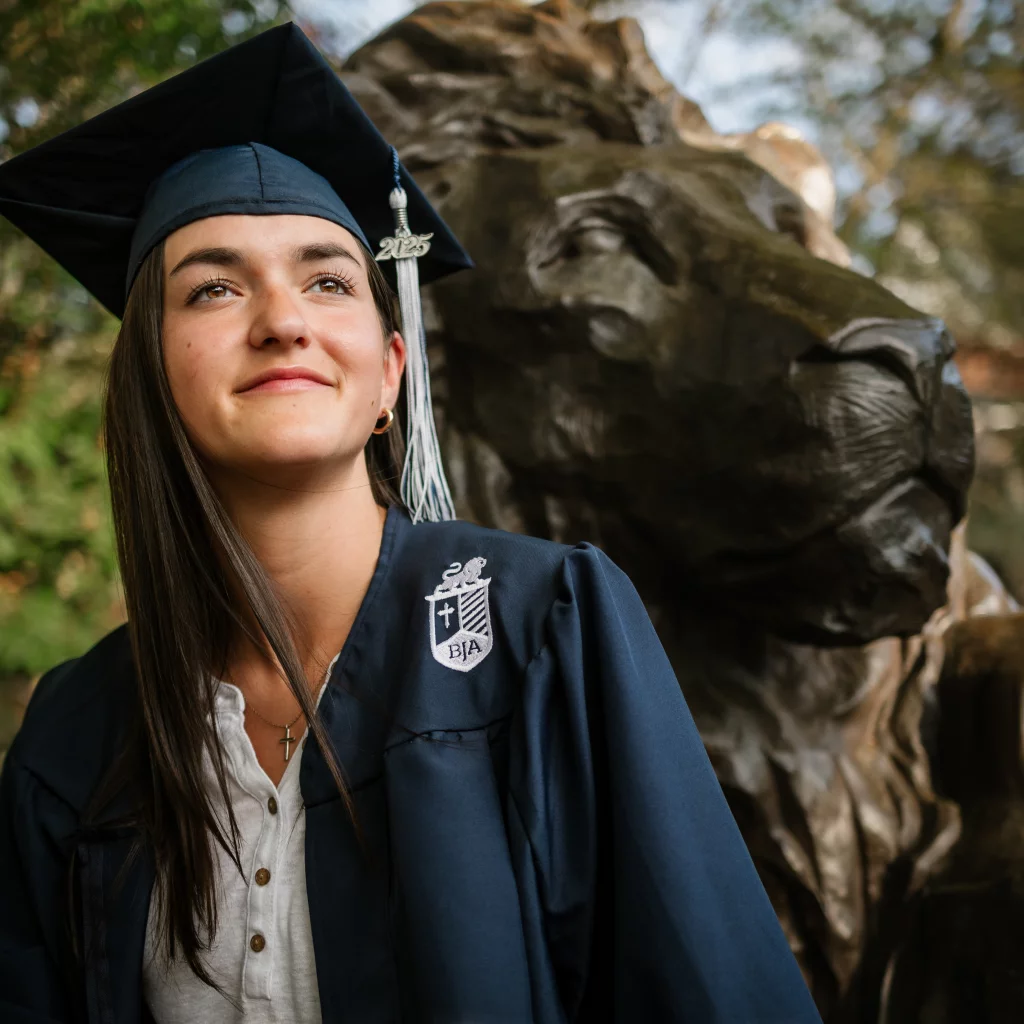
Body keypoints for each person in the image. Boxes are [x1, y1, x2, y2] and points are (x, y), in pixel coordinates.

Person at [0, 22, 823, 1024]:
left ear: (390, 372)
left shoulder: (539, 627)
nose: (282, 318)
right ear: (150, 377)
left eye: (328, 279)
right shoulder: (77, 733)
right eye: (213, 286)